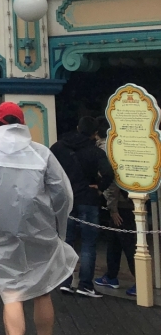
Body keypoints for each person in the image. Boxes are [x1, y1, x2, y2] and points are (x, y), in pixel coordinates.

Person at [0, 102, 77, 335]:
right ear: (22, 122)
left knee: (12, 293)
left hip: (5, 235)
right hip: (42, 232)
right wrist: (60, 228)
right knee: (42, 292)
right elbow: (63, 194)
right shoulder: (42, 153)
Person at [51, 116, 113, 298]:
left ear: (78, 127)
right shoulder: (95, 151)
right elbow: (109, 173)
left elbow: (47, 168)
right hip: (88, 198)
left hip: (66, 200)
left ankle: (64, 280)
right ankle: (85, 285)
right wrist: (100, 188)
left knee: (66, 240)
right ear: (94, 134)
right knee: (88, 243)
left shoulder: (59, 147)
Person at [94, 119, 137, 296]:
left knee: (128, 242)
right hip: (126, 200)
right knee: (114, 240)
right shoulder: (122, 145)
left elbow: (112, 181)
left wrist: (113, 208)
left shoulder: (106, 149)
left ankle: (139, 280)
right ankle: (111, 275)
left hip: (121, 203)